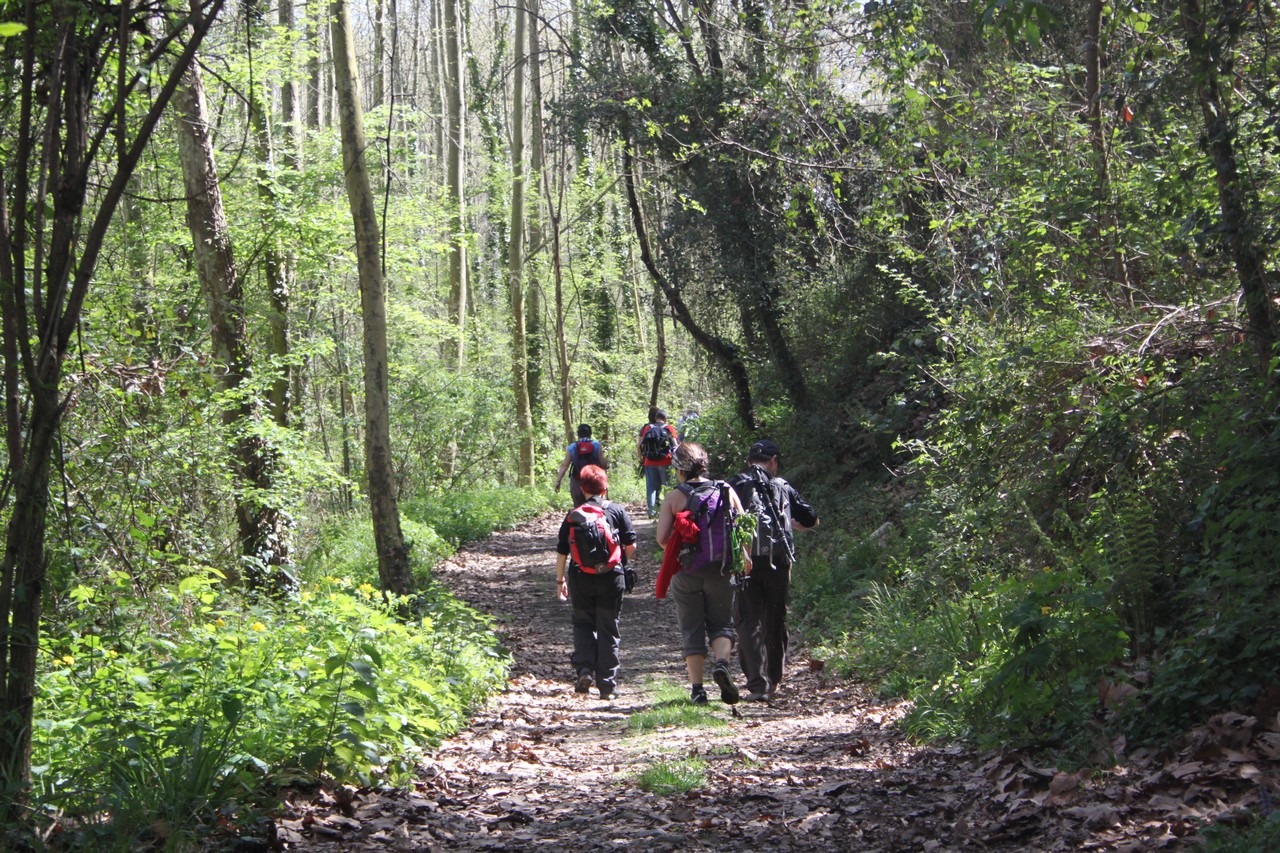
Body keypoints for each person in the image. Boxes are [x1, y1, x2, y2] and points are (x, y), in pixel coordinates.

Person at [656, 442, 749, 705]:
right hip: (721, 569)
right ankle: (722, 664)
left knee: (691, 628)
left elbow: (662, 539)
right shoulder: (726, 490)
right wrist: (745, 556)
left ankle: (698, 690)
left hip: (686, 571)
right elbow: (743, 528)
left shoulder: (674, 497)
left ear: (679, 469)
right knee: (722, 624)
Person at [728, 439, 819, 702]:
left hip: (745, 560)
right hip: (778, 562)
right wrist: (792, 523)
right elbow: (811, 518)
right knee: (775, 619)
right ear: (773, 461)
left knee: (748, 620)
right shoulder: (782, 486)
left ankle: (757, 684)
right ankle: (774, 679)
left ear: (749, 462)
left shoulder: (734, 485)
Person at [554, 465, 637, 699]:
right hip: (611, 578)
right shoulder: (616, 511)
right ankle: (607, 686)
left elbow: (562, 551)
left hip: (580, 577)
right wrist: (619, 561)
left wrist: (560, 580)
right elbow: (631, 545)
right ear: (605, 487)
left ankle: (584, 670)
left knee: (582, 624)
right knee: (608, 627)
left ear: (583, 489)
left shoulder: (573, 515)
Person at [637, 408, 679, 519]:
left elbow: (640, 445)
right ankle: (668, 512)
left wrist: (641, 458)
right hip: (666, 461)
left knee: (651, 488)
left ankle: (652, 512)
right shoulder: (669, 428)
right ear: (665, 418)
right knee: (667, 487)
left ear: (655, 418)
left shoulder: (647, 428)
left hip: (649, 461)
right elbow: (675, 446)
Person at [553, 424, 607, 507]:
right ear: (590, 434)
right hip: (593, 480)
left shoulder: (572, 447)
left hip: (577, 480)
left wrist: (558, 481)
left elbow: (565, 465)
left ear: (578, 434)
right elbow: (603, 464)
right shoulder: (596, 445)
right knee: (596, 504)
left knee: (578, 506)